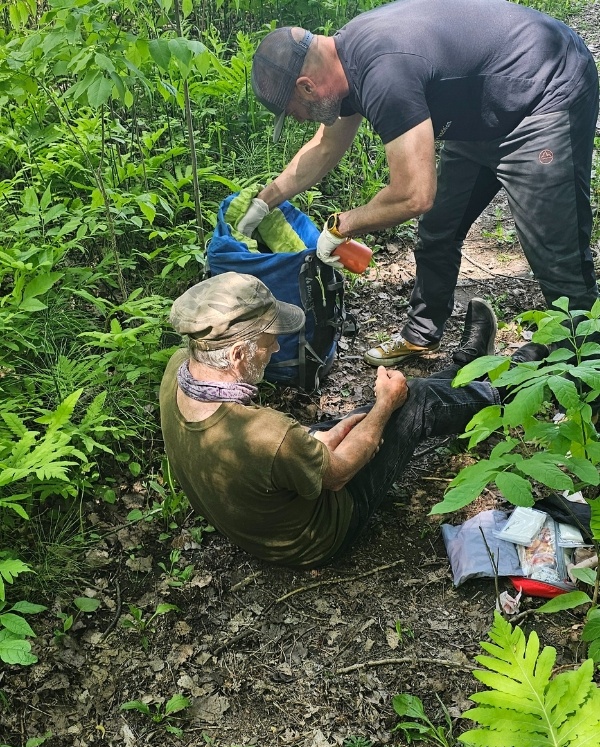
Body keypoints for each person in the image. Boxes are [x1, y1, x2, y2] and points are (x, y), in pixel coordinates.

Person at [240, 0, 599, 367]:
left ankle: (583, 366)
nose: (298, 120)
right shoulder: (341, 66)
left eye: (293, 112)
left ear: (306, 87)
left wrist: (342, 226)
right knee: (439, 230)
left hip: (547, 88)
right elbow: (324, 146)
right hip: (478, 109)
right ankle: (421, 334)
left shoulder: (383, 74)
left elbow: (414, 195)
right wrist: (263, 203)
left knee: (557, 251)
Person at [159, 273, 547, 568]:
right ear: (238, 355)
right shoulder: (266, 435)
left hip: (262, 517)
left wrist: (356, 422)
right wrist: (383, 408)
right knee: (413, 402)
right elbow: (339, 473)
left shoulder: (179, 369)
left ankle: (470, 369)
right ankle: (514, 386)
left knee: (379, 408)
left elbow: (281, 447)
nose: (276, 346)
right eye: (268, 340)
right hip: (319, 536)